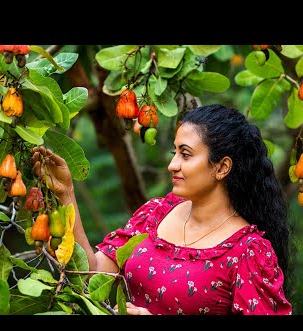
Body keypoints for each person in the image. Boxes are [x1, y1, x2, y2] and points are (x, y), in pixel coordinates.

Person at [32, 103, 293, 315]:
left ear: (222, 167)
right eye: (174, 152)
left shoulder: (247, 251)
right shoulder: (156, 213)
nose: (173, 164)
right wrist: (66, 193)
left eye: (186, 154)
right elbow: (90, 275)